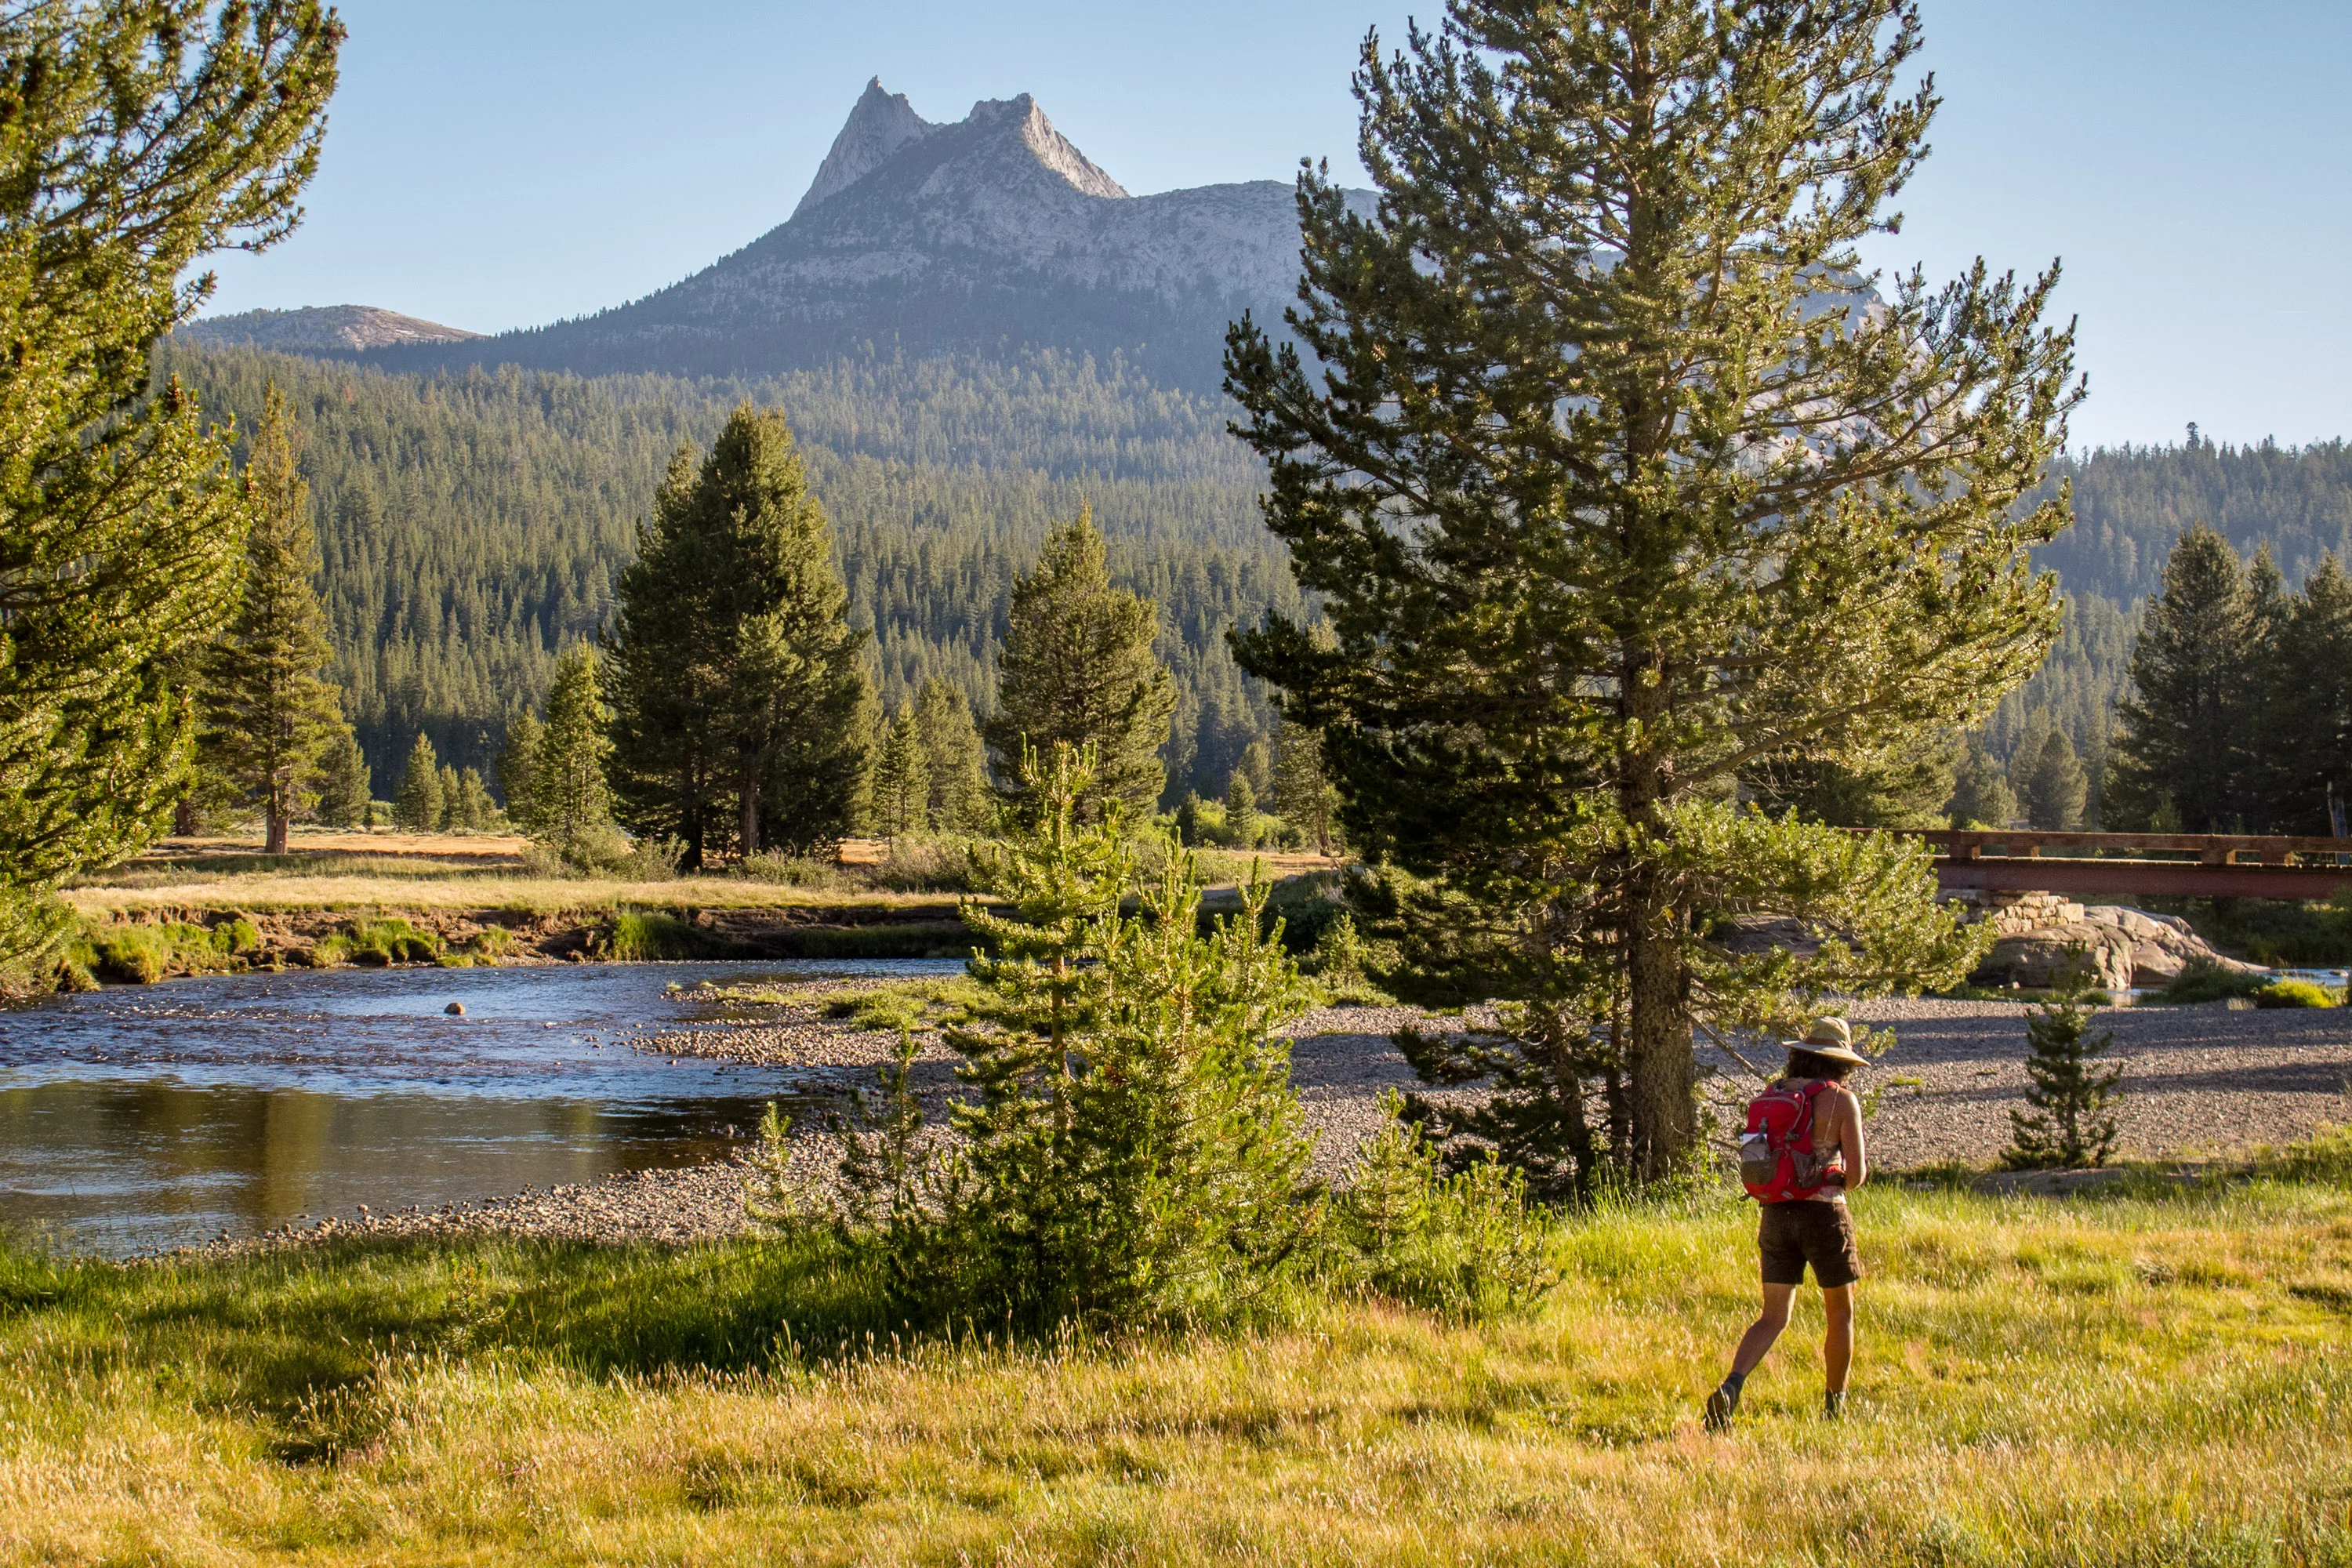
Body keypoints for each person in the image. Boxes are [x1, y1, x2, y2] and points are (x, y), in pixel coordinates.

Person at [1705, 1016, 1870, 1429]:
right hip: (1823, 1216)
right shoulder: (1839, 1100)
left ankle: (1732, 1386)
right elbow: (1857, 1174)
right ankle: (1835, 1409)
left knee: (1773, 1317)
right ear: (1841, 1062)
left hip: (1775, 1214)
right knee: (1841, 1314)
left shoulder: (1774, 1093)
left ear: (1801, 1055)